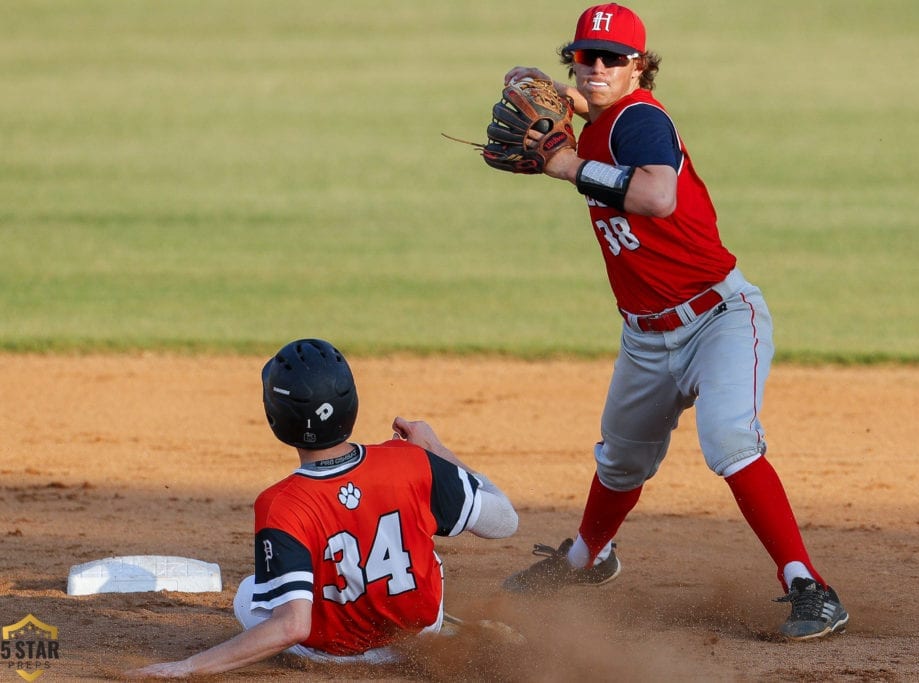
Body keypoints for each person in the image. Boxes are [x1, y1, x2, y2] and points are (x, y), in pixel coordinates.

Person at [499, 3, 848, 640]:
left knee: (729, 439)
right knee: (620, 460)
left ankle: (808, 586)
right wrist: (558, 96)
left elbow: (658, 196)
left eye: (613, 58)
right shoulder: (603, 112)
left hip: (718, 318)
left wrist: (567, 166)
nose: (598, 67)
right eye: (585, 56)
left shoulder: (640, 120)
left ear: (640, 67)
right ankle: (586, 558)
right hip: (645, 334)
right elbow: (584, 104)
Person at [125, 338, 519, 678]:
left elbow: (292, 626)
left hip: (332, 657)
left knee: (249, 595)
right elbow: (505, 522)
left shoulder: (281, 503)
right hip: (417, 638)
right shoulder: (411, 461)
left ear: (275, 419)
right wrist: (437, 451)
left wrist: (186, 667)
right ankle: (443, 630)